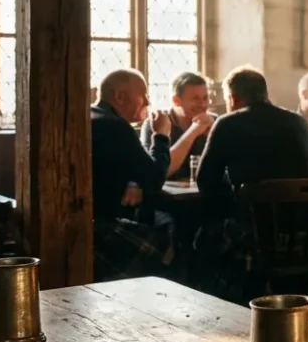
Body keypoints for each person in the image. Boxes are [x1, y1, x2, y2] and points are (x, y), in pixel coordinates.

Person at [194, 66, 308, 296]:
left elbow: (205, 180)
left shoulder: (228, 123)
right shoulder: (297, 122)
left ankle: (221, 299)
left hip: (253, 233)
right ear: (265, 93)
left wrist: (237, 197)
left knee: (203, 232)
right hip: (302, 232)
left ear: (233, 98)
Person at [91, 69, 173, 281]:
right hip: (99, 228)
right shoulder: (116, 126)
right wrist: (161, 136)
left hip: (86, 218)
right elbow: (154, 179)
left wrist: (132, 181)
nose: (147, 101)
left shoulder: (92, 116)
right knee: (171, 236)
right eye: (143, 94)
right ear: (120, 96)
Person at [140, 71, 216, 180]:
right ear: (176, 101)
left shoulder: (214, 121)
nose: (203, 104)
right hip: (166, 195)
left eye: (205, 98)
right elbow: (156, 173)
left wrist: (213, 136)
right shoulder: (156, 123)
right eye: (195, 99)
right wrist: (193, 131)